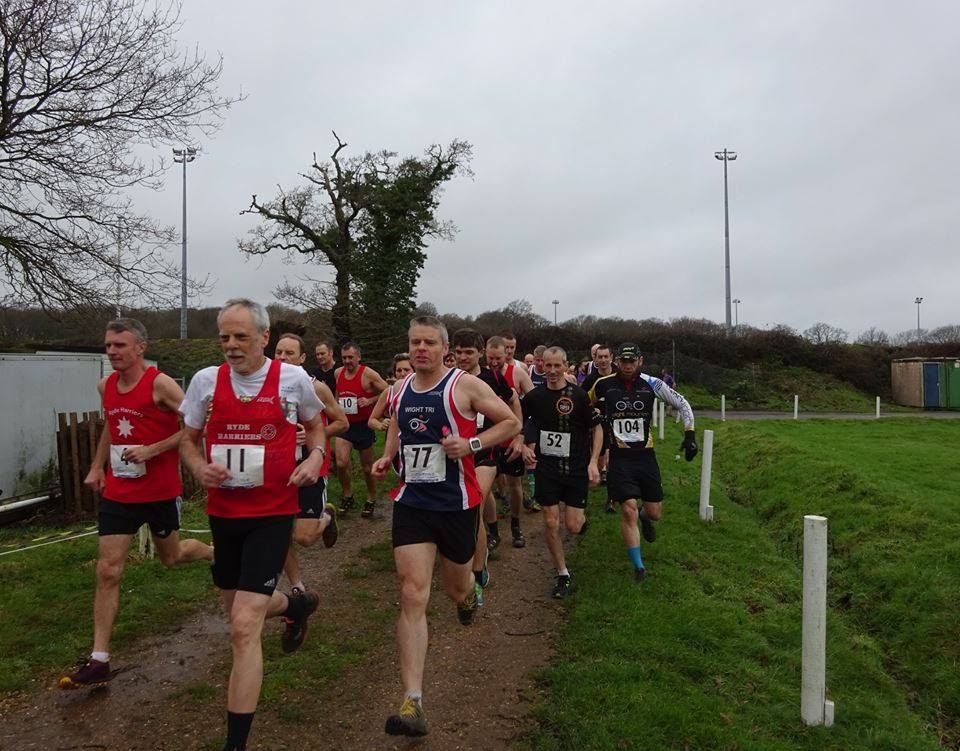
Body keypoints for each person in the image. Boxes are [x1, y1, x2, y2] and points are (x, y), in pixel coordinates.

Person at [180, 299, 328, 751]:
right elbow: (187, 439)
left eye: (240, 336)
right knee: (239, 613)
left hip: (272, 513)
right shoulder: (206, 382)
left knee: (243, 625)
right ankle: (295, 606)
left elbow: (317, 427)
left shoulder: (292, 378)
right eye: (224, 336)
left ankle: (236, 744)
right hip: (224, 517)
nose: (230, 345)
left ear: (264, 338)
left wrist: (316, 457)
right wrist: (197, 467)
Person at [371, 316, 520, 738]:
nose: (420, 349)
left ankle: (469, 593)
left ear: (444, 348)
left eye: (429, 343)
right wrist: (388, 457)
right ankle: (412, 701)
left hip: (456, 504)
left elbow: (510, 422)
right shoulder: (398, 389)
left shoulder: (463, 386)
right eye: (414, 342)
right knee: (412, 592)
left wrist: (471, 444)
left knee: (456, 588)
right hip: (413, 503)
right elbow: (399, 425)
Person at [59, 319, 214, 690]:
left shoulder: (160, 384)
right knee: (109, 569)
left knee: (171, 557)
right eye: (108, 345)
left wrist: (153, 449)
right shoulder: (105, 385)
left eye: (120, 345)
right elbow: (113, 425)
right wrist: (98, 467)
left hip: (160, 490)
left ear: (140, 348)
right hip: (120, 492)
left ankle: (211, 553)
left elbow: (198, 424)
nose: (112, 351)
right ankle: (99, 658)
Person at [588, 343, 697, 583]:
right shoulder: (602, 384)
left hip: (646, 457)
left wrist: (689, 435)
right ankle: (639, 567)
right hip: (619, 458)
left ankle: (645, 517)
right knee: (627, 509)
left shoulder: (652, 383)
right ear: (617, 362)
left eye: (632, 361)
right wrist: (594, 418)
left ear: (640, 361)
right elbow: (584, 405)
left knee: (654, 512)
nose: (627, 366)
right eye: (623, 361)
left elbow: (683, 404)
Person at [274, 334, 348, 601]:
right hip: (277, 469)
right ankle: (297, 587)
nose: (283, 358)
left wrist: (313, 435)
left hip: (310, 465)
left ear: (303, 358)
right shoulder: (265, 387)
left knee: (304, 537)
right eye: (279, 353)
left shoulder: (316, 387)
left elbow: (342, 423)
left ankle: (327, 517)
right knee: (280, 531)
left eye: (289, 354)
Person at [522, 347, 601, 598]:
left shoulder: (578, 396)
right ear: (541, 366)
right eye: (548, 366)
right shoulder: (534, 397)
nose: (553, 371)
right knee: (550, 521)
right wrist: (522, 445)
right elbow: (517, 422)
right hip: (547, 469)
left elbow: (598, 428)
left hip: (576, 468)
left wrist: (594, 462)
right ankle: (562, 573)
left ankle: (581, 521)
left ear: (566, 366)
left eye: (558, 366)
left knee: (574, 526)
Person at [451, 329, 522, 588]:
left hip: (485, 450)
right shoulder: (449, 379)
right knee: (481, 499)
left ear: (480, 354)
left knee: (474, 502)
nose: (462, 357)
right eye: (458, 352)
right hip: (457, 453)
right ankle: (491, 530)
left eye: (469, 352)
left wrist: (518, 435)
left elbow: (514, 404)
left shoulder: (494, 378)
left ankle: (478, 570)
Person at [485, 336, 538, 546]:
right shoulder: (480, 375)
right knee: (486, 486)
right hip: (488, 437)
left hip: (510, 437)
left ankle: (516, 526)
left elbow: (534, 402)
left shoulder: (516, 372)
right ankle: (492, 531)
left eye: (499, 357)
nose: (495, 362)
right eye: (491, 358)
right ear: (485, 354)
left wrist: (521, 436)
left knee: (515, 482)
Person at [334, 342, 388, 517]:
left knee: (366, 467)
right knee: (341, 463)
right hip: (346, 424)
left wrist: (370, 400)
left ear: (358, 357)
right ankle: (348, 495)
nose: (347, 361)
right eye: (344, 358)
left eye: (351, 357)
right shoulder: (338, 373)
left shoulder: (369, 374)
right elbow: (338, 393)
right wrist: (336, 409)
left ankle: (371, 497)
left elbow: (389, 391)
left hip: (364, 425)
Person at [580, 344, 617, 505]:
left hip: (617, 423)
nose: (602, 360)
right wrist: (591, 409)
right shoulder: (590, 379)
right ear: (595, 359)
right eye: (599, 357)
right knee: (602, 460)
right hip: (598, 424)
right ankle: (602, 473)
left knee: (612, 459)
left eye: (605, 357)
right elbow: (581, 399)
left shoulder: (619, 375)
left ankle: (611, 498)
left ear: (611, 358)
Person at [368, 353, 414, 433]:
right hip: (394, 439)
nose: (402, 374)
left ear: (415, 370)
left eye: (406, 370)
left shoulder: (424, 389)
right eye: (399, 370)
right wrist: (381, 425)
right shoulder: (389, 392)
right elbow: (372, 420)